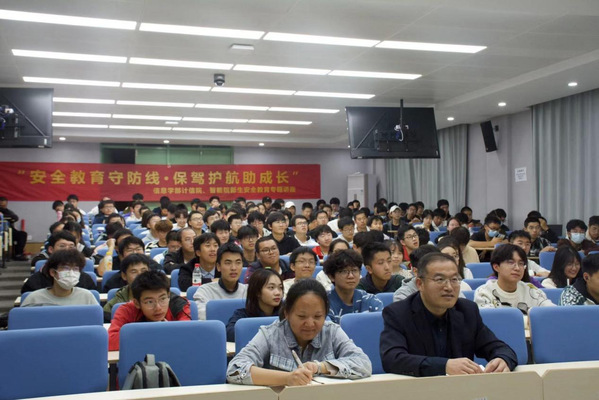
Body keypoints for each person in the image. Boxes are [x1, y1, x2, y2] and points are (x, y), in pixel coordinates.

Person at [380, 252, 517, 377]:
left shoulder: (467, 310)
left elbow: (499, 347)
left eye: (454, 279)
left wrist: (503, 359)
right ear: (420, 284)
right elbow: (392, 359)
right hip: (418, 389)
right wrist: (444, 366)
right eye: (440, 280)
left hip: (461, 390)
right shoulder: (398, 313)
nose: (449, 287)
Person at [227, 278, 372, 385]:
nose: (310, 323)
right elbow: (235, 370)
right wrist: (287, 378)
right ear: (287, 313)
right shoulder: (270, 334)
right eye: (302, 316)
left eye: (318, 316)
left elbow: (363, 363)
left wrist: (320, 367)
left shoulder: (331, 331)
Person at [108, 270, 192, 350]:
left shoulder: (179, 306)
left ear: (168, 295)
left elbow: (187, 336)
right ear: (137, 303)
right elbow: (110, 340)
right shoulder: (126, 310)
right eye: (149, 302)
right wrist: (161, 332)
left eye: (162, 299)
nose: (158, 308)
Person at [474, 244, 555, 313]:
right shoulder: (484, 293)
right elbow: (492, 321)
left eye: (521, 263)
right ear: (496, 267)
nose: (517, 268)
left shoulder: (533, 291)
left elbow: (552, 313)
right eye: (510, 262)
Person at [22, 231, 97, 293]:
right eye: (62, 246)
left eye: (71, 247)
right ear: (51, 249)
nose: (67, 250)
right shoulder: (35, 282)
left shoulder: (85, 279)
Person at [21, 249, 98, 307]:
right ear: (52, 272)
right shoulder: (34, 299)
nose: (71, 273)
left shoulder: (87, 297)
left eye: (75, 269)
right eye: (66, 268)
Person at [324, 249, 383, 323]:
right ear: (331, 276)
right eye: (344, 271)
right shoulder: (323, 303)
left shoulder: (370, 300)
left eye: (354, 270)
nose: (351, 276)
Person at [193, 242, 248, 320]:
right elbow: (203, 319)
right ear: (218, 266)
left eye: (238, 263)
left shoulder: (248, 291)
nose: (233, 268)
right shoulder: (205, 291)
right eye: (228, 263)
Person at [226, 268, 283, 341]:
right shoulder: (242, 315)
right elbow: (229, 333)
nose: (278, 293)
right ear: (257, 292)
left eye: (280, 288)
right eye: (271, 287)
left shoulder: (286, 313)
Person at [102, 253, 150, 322]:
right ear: (124, 276)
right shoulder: (117, 301)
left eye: (144, 271)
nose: (140, 275)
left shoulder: (160, 294)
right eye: (134, 272)